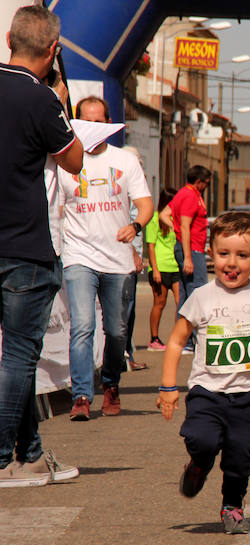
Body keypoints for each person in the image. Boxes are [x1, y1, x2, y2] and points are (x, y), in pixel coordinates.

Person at [157, 211, 250, 534]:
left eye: (242, 256)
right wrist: (168, 387)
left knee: (239, 455)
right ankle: (199, 465)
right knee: (201, 439)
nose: (232, 263)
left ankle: (233, 503)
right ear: (210, 253)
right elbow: (175, 342)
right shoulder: (201, 297)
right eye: (224, 253)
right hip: (207, 391)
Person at [0, 5, 84, 486]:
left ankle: (30, 454)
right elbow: (73, 160)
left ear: (9, 37)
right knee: (18, 356)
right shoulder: (41, 99)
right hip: (26, 247)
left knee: (18, 359)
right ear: (54, 50)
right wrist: (62, 102)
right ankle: (2, 459)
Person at [59, 96, 152, 421]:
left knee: (116, 331)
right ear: (76, 122)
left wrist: (136, 226)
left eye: (100, 121)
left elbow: (145, 204)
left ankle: (111, 383)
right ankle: (82, 395)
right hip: (79, 254)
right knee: (83, 326)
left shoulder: (125, 161)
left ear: (108, 123)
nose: (94, 127)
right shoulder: (65, 160)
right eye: (88, 120)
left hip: (117, 261)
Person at [160, 165, 211, 354]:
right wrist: (188, 257)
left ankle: (182, 341)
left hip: (187, 248)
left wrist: (175, 229)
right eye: (206, 183)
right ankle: (192, 341)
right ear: (199, 181)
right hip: (192, 250)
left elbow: (165, 215)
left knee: (185, 296)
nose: (206, 186)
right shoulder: (190, 196)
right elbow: (186, 224)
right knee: (197, 295)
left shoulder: (182, 193)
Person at [122, 145, 148, 372]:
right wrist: (134, 254)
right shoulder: (123, 189)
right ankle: (121, 354)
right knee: (125, 309)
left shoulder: (135, 188)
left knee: (130, 309)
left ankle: (127, 352)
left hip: (134, 257)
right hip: (126, 258)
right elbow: (120, 223)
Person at [146, 188, 180, 351]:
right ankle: (154, 339)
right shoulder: (154, 219)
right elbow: (151, 246)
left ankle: (179, 338)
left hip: (177, 266)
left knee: (182, 303)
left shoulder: (176, 218)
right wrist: (156, 270)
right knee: (159, 303)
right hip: (161, 266)